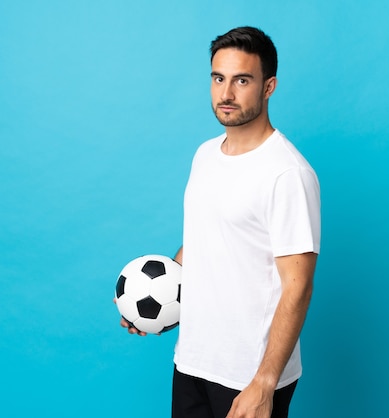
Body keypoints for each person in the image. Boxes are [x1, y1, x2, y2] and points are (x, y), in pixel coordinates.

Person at [121, 26, 321, 418]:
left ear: (268, 87)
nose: (226, 94)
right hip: (193, 361)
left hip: (250, 373)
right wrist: (155, 298)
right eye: (218, 79)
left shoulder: (287, 174)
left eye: (242, 80)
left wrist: (264, 383)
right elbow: (202, 241)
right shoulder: (206, 154)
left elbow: (298, 287)